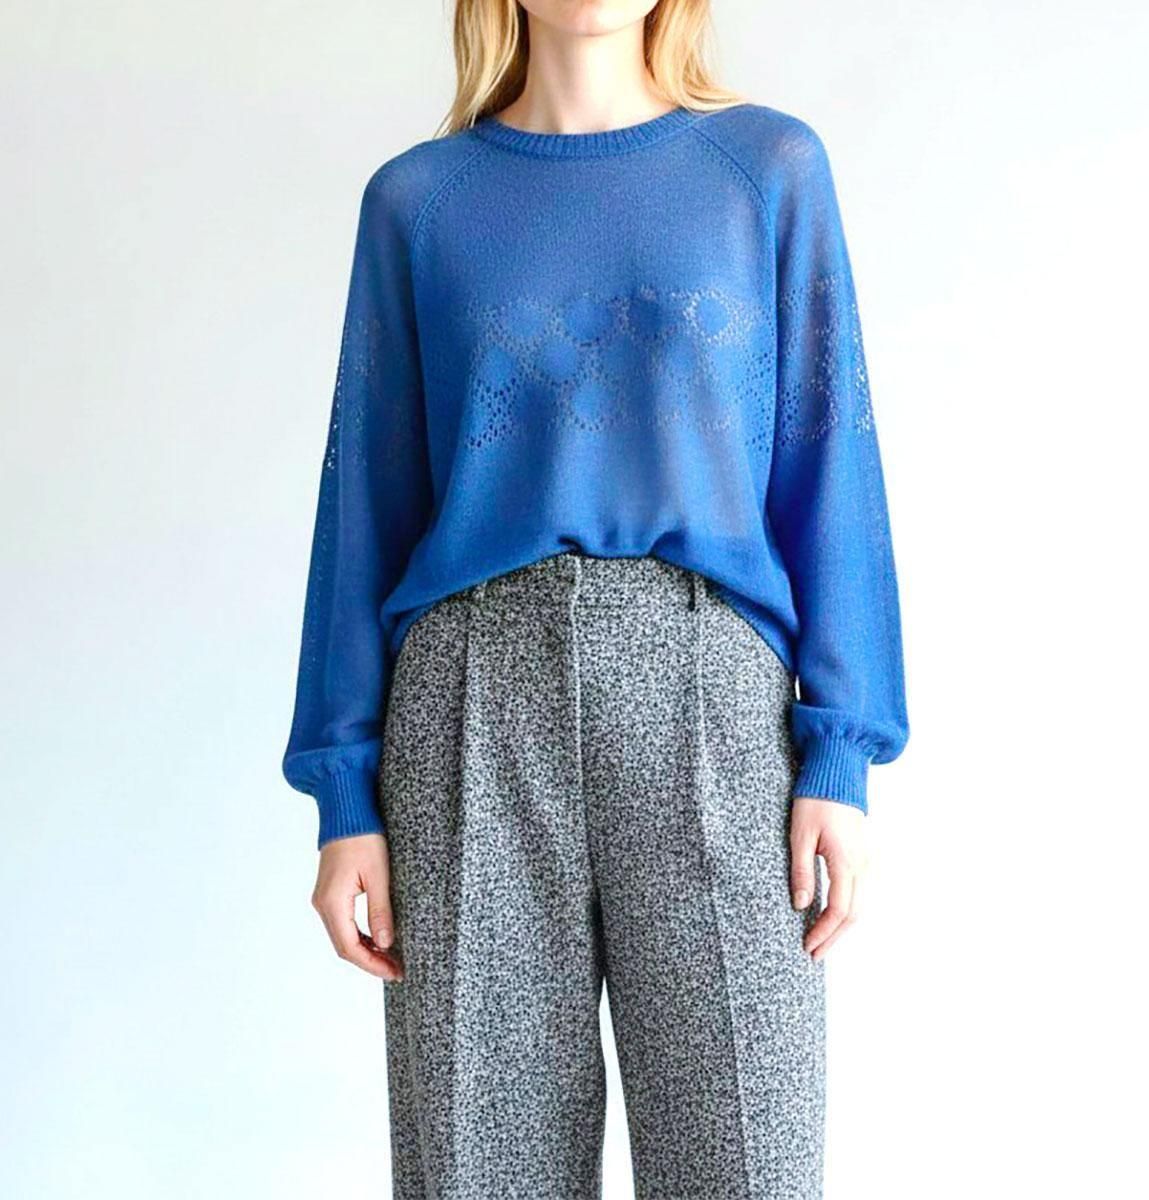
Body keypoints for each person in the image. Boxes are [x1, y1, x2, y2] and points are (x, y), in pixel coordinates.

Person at [280, 1, 909, 1195]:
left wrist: (842, 751)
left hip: (711, 694)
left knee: (748, 1164)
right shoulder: (419, 203)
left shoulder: (766, 170)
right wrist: (342, 792)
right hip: (471, 699)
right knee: (480, 1167)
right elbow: (366, 500)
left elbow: (829, 464)